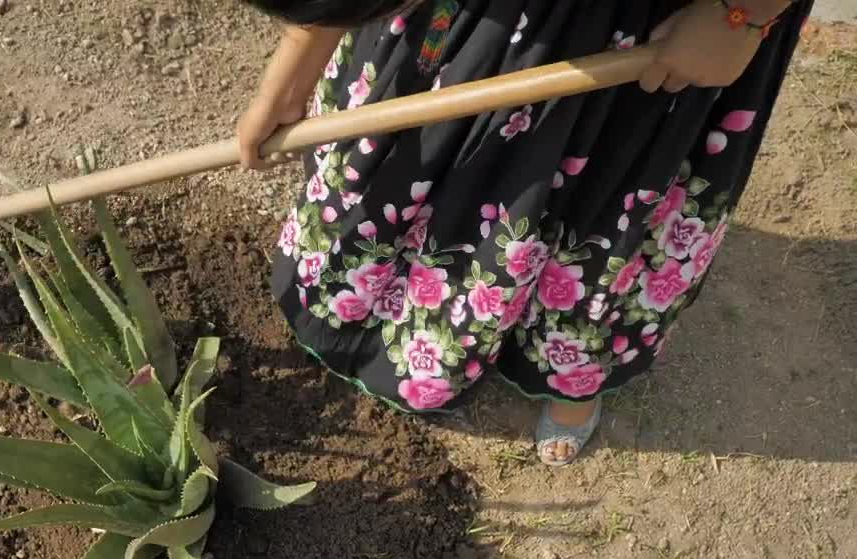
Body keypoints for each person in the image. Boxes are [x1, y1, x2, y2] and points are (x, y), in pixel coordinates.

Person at [236, 0, 809, 465]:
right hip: (488, 22)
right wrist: (290, 73)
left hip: (663, 30)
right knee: (427, 170)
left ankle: (565, 370)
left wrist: (743, 13)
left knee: (604, 201)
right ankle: (389, 320)